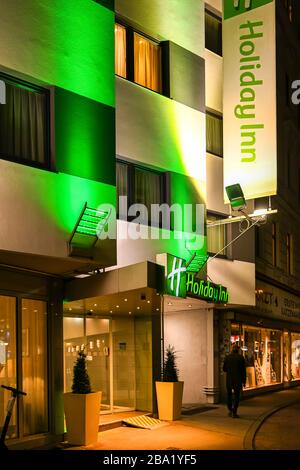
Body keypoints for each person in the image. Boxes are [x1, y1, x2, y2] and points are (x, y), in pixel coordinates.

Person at [223, 344, 246, 418]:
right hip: (238, 380)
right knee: (236, 396)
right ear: (238, 350)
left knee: (229, 395)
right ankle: (234, 411)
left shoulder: (227, 357)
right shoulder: (241, 358)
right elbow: (243, 371)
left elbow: (224, 369)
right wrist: (244, 381)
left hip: (229, 380)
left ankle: (230, 410)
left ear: (232, 349)